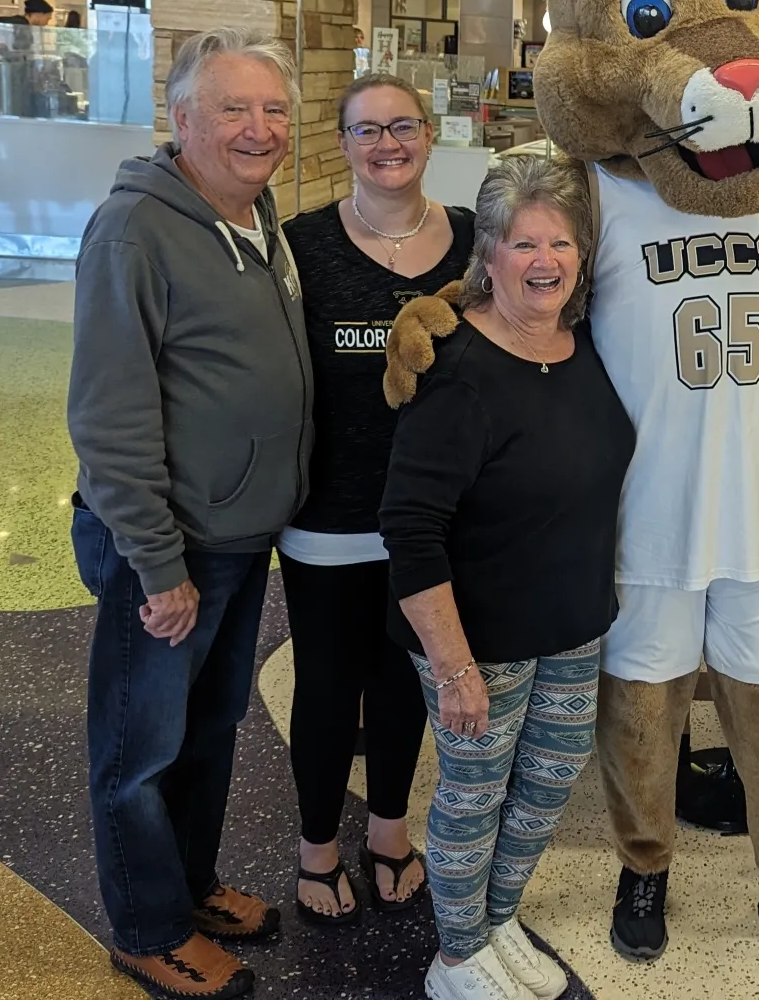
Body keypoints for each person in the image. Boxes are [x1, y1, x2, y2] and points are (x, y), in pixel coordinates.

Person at [67, 28, 311, 1000]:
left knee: (208, 733)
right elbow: (108, 415)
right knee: (138, 750)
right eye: (233, 109)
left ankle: (193, 883)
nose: (259, 130)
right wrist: (157, 564)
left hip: (239, 534)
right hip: (171, 547)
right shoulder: (136, 230)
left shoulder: (253, 216)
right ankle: (147, 926)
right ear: (180, 120)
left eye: (275, 110)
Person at [381, 154, 635, 1000]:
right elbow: (409, 528)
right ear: (487, 254)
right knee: (474, 792)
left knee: (547, 785)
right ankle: (455, 955)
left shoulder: (585, 340)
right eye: (524, 241)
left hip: (572, 623)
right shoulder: (457, 371)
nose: (544, 259)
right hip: (478, 638)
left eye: (560, 241)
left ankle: (494, 921)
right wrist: (452, 666)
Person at [277, 75, 474, 926]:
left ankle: (389, 830)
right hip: (330, 514)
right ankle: (317, 847)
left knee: (404, 677)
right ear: (343, 142)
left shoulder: (473, 241)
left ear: (429, 135)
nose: (386, 143)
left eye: (402, 126)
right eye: (366, 130)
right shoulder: (302, 245)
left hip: (435, 517)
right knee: (327, 681)